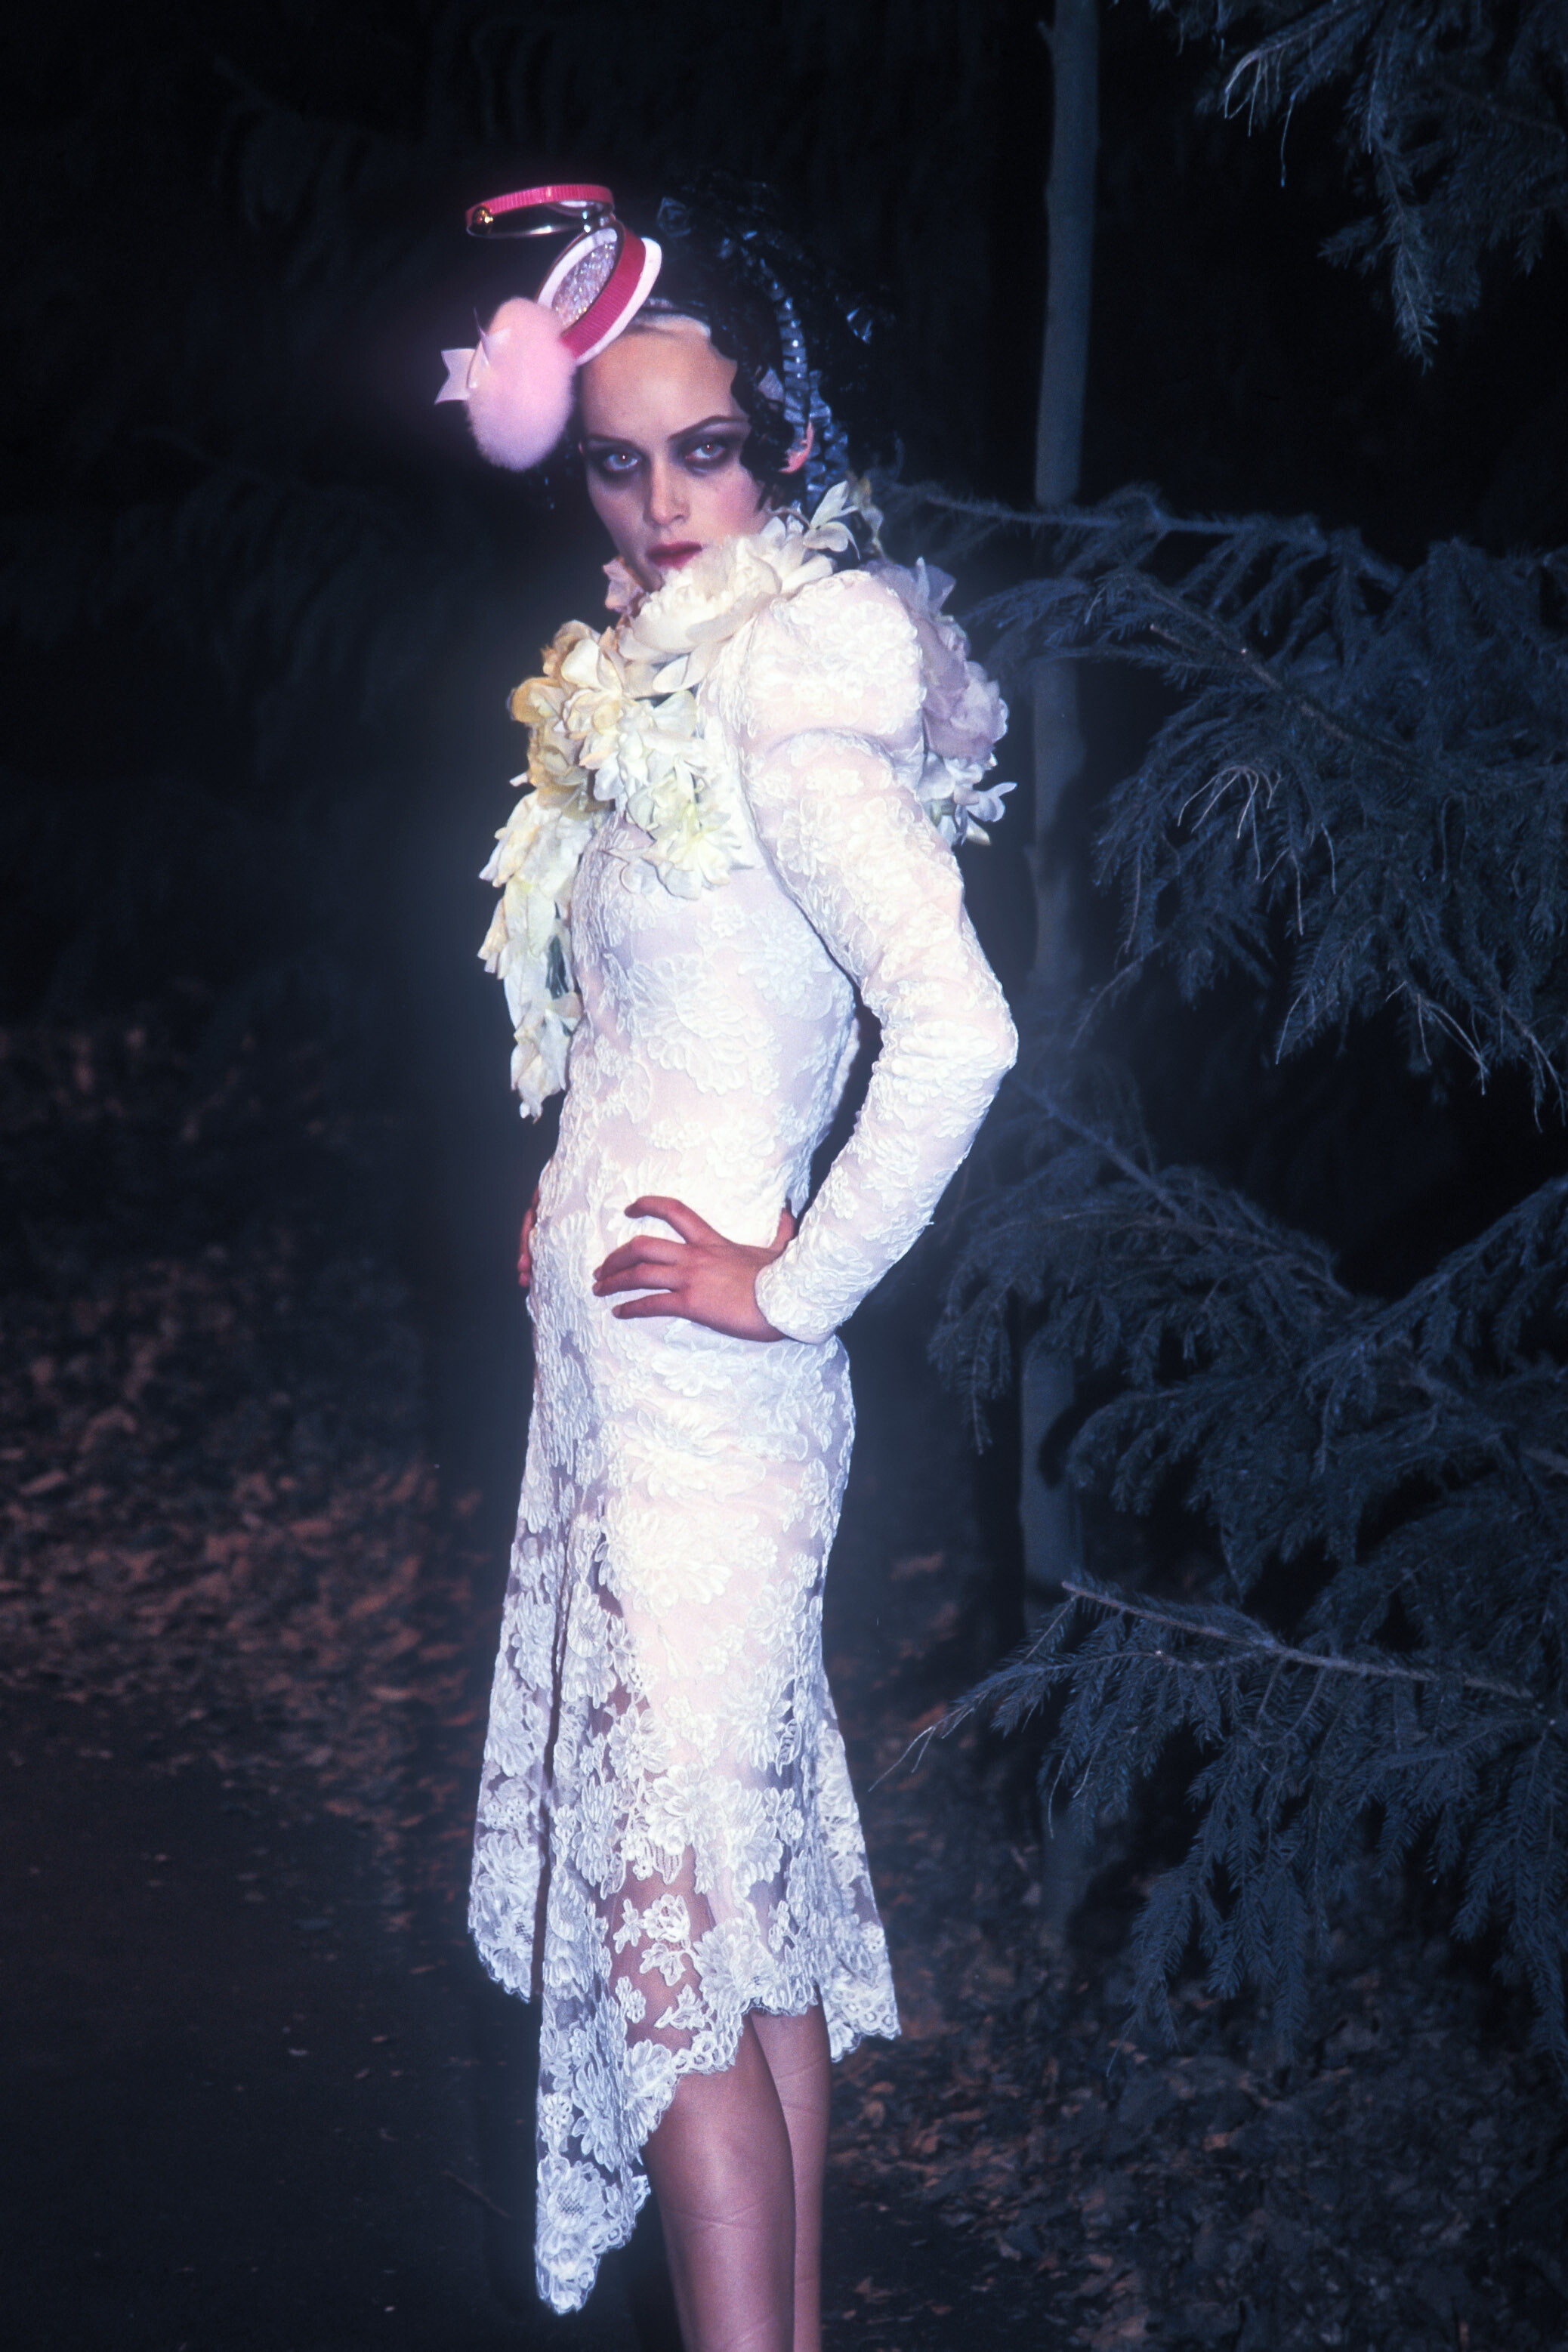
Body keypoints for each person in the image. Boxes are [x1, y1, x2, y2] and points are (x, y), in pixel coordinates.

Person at [439, 184, 1017, 2351]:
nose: (663, 504)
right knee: (740, 1930)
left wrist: (788, 1281)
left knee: (668, 1943)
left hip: (715, 1396)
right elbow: (672, 1006)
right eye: (618, 461)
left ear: (785, 447)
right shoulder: (654, 676)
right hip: (620, 1375)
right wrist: (576, 1167)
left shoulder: (787, 686)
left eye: (705, 452)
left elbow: (959, 1029)